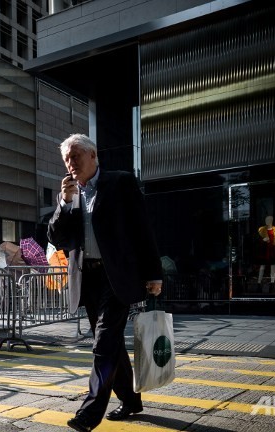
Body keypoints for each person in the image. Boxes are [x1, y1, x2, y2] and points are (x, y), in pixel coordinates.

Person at [47, 133, 163, 432]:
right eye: (66, 159)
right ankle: (131, 401)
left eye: (75, 156)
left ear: (93, 155)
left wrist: (153, 273)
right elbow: (55, 238)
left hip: (117, 276)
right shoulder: (68, 195)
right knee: (111, 345)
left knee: (103, 343)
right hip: (87, 279)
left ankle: (89, 413)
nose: (71, 164)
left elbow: (142, 228)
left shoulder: (120, 182)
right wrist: (65, 202)